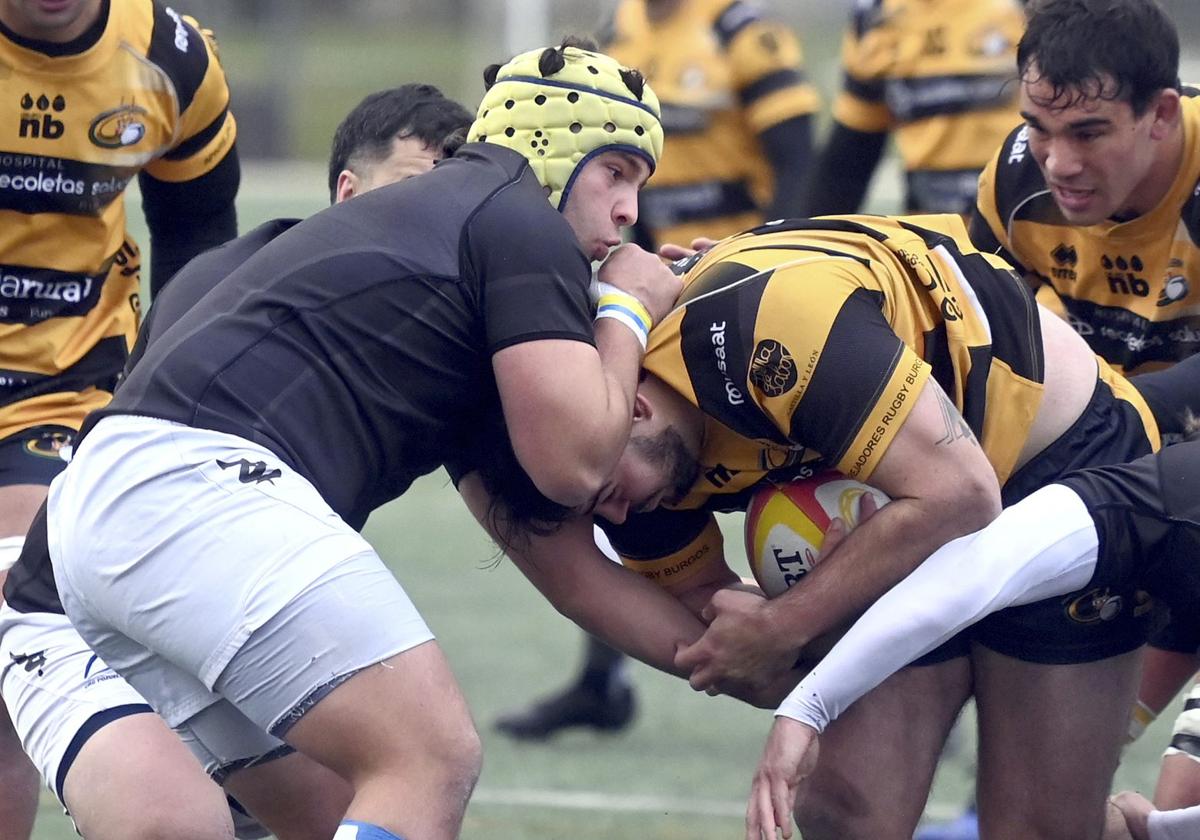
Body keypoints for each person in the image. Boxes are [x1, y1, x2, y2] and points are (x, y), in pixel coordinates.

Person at [4, 40, 679, 840]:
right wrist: (627, 309)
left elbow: (567, 565)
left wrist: (756, 661)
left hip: (122, 528)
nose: (632, 212)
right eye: (617, 173)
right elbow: (576, 463)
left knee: (335, 814)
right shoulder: (511, 213)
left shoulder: (437, 314)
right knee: (427, 757)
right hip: (116, 555)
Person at [458, 212, 1159, 840]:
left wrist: (789, 620)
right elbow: (740, 641)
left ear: (634, 410)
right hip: (911, 502)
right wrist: (760, 636)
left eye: (608, 495)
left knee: (1038, 829)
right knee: (845, 808)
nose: (614, 517)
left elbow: (964, 494)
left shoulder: (759, 325)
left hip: (1062, 462)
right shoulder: (618, 478)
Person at [0, 83, 472, 839]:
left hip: (200, 613)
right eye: (414, 192)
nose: (438, 220)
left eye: (457, 199)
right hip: (75, 614)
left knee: (368, 801)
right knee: (182, 823)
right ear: (348, 192)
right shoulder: (233, 287)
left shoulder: (437, 324)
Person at [495, 0, 821, 742]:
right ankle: (602, 677)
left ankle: (887, 655)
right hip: (649, 293)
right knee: (613, 475)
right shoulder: (626, 32)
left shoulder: (740, 29)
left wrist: (766, 267)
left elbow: (802, 156)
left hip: (737, 303)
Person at [0, 0, 239, 835]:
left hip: (61, 386)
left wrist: (170, 385)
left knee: (9, 618)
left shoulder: (169, 59)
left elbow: (201, 230)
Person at [969, 0, 1200, 812]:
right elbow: (971, 331)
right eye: (1039, 126)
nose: (1058, 161)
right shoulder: (1017, 175)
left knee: (1177, 801)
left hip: (1166, 490)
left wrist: (1107, 419)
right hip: (1128, 487)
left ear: (1160, 114)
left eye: (1090, 133)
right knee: (1066, 802)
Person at [743, 434, 1200, 840]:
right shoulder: (1176, 500)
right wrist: (807, 709)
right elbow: (982, 568)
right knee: (846, 815)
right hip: (1047, 470)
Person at [804, 0, 1025, 216]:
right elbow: (849, 161)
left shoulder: (1027, 7)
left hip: (1023, 235)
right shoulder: (875, 15)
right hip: (932, 240)